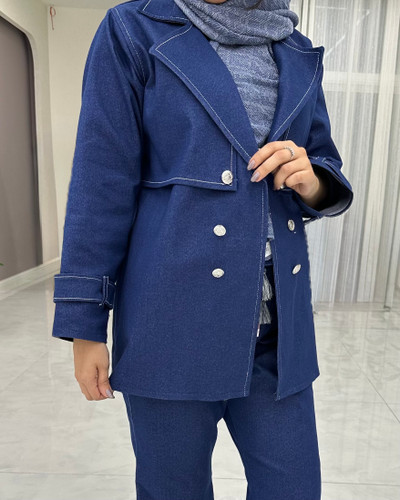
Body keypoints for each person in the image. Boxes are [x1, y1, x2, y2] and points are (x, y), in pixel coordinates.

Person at [52, 0, 354, 498]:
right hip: (169, 321)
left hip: (277, 329)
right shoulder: (134, 29)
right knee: (174, 489)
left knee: (294, 485)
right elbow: (101, 182)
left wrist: (313, 179)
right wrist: (84, 323)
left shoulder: (294, 46)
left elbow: (323, 160)